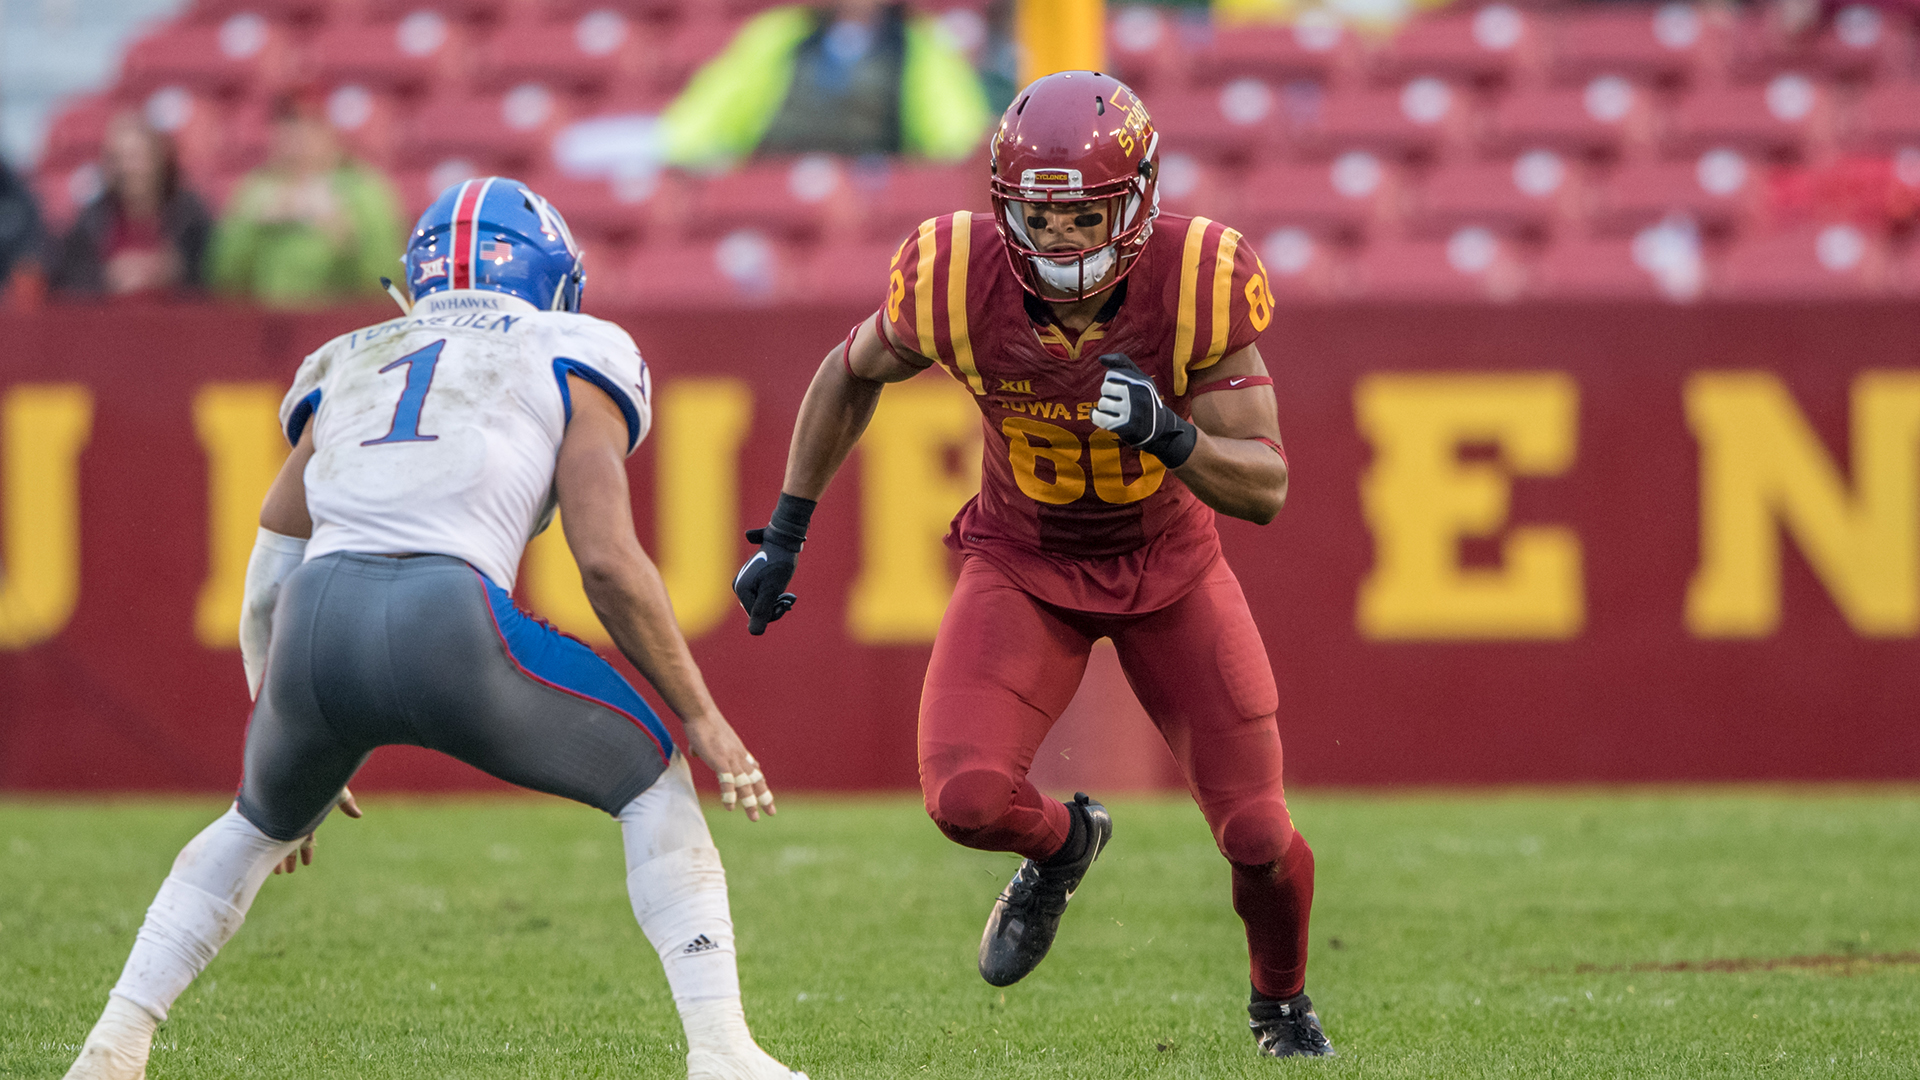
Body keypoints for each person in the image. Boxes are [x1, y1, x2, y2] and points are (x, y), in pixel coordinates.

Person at [63, 178, 805, 1080]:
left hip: (312, 629)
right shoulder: (572, 345)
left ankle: (114, 1044)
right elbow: (606, 561)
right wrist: (702, 715)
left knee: (253, 826)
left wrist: (281, 722)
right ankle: (723, 1054)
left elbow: (269, 565)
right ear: (554, 280)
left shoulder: (353, 353)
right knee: (652, 783)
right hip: (449, 622)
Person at [732, 71, 1334, 1058]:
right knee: (964, 801)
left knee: (1257, 836)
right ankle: (1065, 846)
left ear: (1136, 200)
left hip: (1168, 568)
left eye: (1083, 215)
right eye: (1036, 215)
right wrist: (789, 527)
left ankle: (1281, 1002)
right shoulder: (952, 271)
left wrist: (1169, 435)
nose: (1057, 240)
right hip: (1023, 560)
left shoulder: (1199, 276)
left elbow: (1264, 488)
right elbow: (851, 372)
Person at [661, 0, 990, 167]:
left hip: (872, 199)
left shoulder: (921, 45)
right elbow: (696, 128)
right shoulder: (778, 36)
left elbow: (959, 136)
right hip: (778, 192)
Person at [207, 90, 401, 307]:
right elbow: (223, 279)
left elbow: (386, 283)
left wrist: (347, 243)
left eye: (311, 125)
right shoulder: (255, 190)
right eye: (287, 125)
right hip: (265, 325)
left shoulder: (364, 190)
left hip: (338, 324)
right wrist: (256, 227)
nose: (298, 138)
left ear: (332, 132)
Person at [48, 110, 212, 297]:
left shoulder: (190, 215)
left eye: (137, 157)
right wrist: (107, 276)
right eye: (120, 158)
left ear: (159, 159)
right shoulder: (90, 221)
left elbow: (213, 276)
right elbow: (69, 282)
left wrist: (170, 270)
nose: (129, 168)